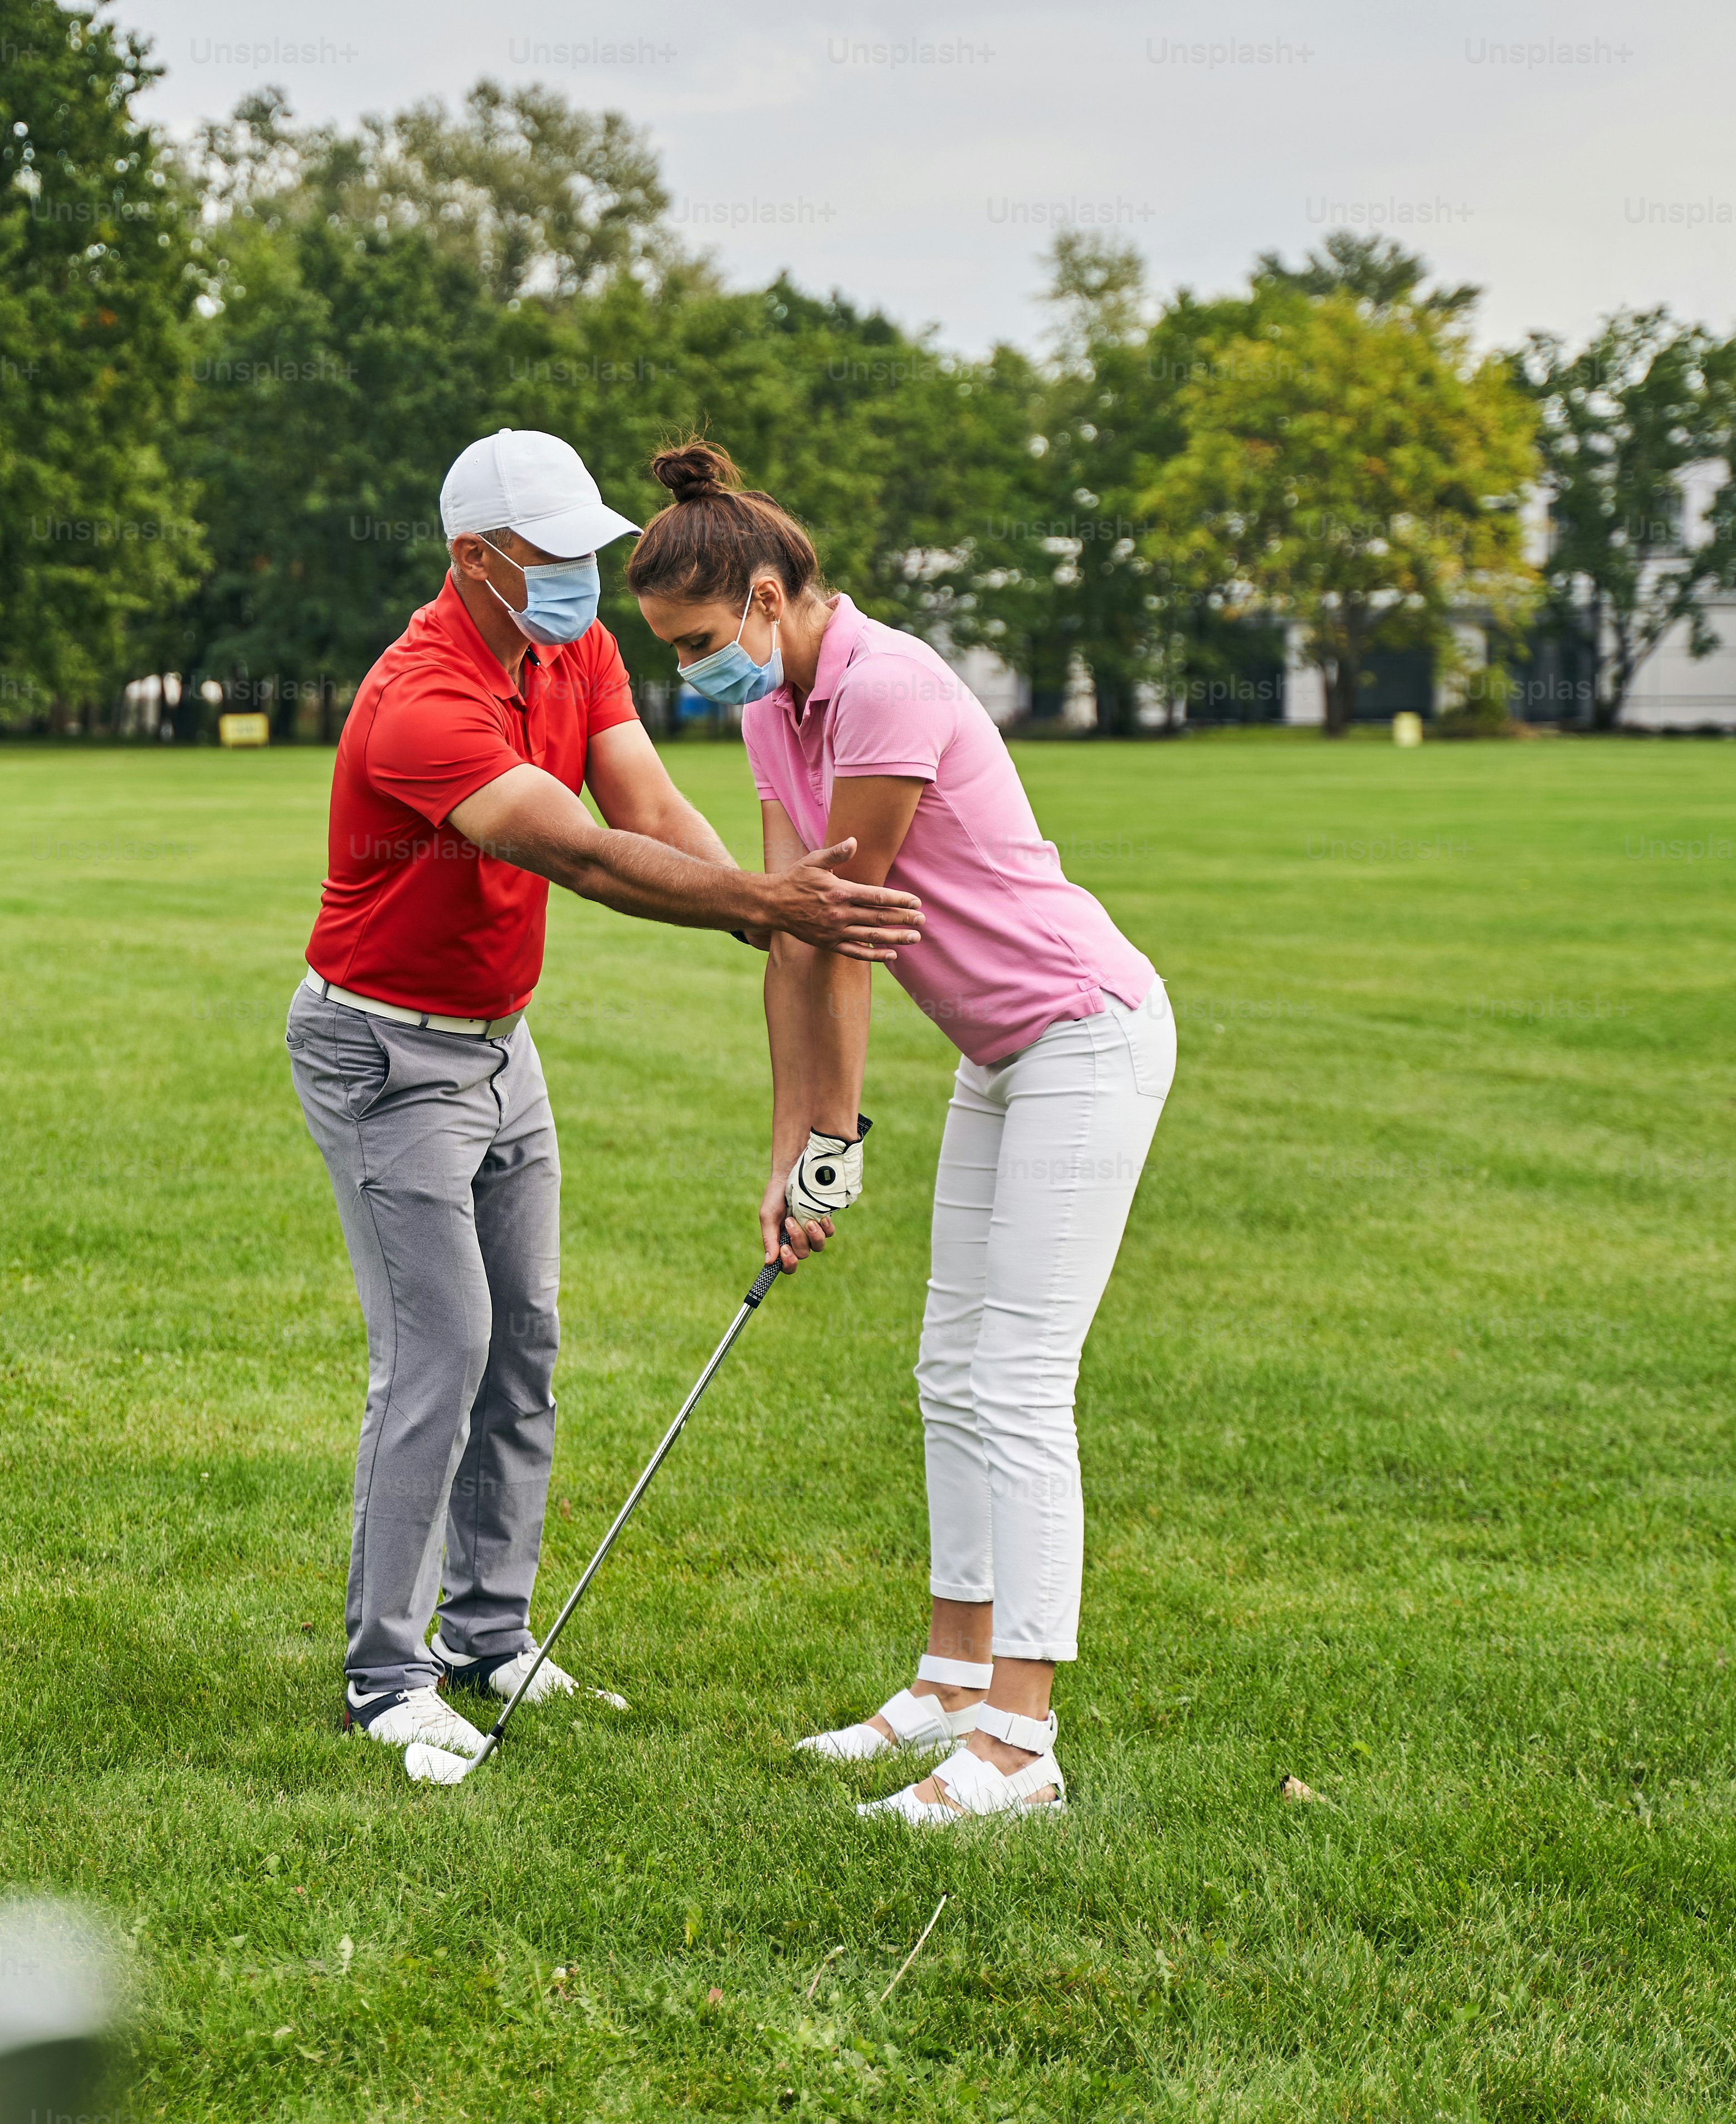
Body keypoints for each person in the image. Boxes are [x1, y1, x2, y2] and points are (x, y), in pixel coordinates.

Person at [288, 427, 925, 1765]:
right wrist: (768, 898)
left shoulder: (568, 646)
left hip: (497, 1045)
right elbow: (579, 854)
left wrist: (773, 926)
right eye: (552, 555)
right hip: (384, 1056)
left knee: (525, 1340)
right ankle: (386, 1677)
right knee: (441, 1348)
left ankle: (489, 1637)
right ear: (475, 559)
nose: (581, 574)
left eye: (588, 546)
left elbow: (641, 801)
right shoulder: (422, 699)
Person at [624, 439, 1173, 1820]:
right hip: (1002, 1055)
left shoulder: (886, 688)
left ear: (766, 596)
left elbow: (849, 934)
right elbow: (788, 936)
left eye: (699, 642)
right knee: (947, 1367)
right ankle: (949, 1679)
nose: (693, 674)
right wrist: (797, 1150)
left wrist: (838, 1129)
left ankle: (1021, 1746)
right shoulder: (774, 714)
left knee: (1020, 1377)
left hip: (1084, 1031)